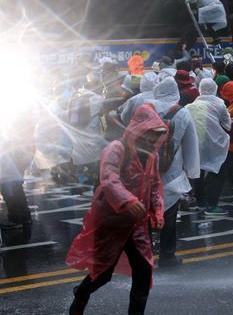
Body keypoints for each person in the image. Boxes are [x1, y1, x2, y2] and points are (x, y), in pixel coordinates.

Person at [66, 104, 167, 315]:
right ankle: (82, 294)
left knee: (143, 272)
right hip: (111, 221)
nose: (151, 140)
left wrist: (157, 210)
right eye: (149, 134)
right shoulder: (116, 148)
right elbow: (109, 178)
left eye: (156, 135)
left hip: (138, 224)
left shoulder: (152, 156)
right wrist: (128, 201)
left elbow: (155, 184)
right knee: (102, 272)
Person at [146, 78, 200, 267]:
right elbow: (191, 145)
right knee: (168, 214)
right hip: (171, 171)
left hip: (144, 169)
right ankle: (168, 256)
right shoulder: (183, 113)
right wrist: (192, 173)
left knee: (143, 211)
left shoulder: (145, 108)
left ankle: (142, 255)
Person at [185, 79, 232, 216]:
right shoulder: (219, 103)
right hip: (215, 143)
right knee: (218, 172)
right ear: (215, 88)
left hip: (196, 143)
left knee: (198, 171)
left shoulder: (191, 105)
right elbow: (227, 125)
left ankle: (200, 202)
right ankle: (212, 204)